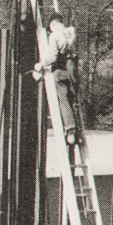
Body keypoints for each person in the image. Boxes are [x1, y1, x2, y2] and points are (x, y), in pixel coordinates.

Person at [35, 12, 80, 144]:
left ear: (53, 24)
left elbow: (52, 57)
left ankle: (71, 131)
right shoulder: (71, 33)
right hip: (73, 71)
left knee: (63, 100)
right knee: (73, 100)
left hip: (60, 71)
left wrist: (41, 64)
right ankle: (78, 130)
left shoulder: (55, 36)